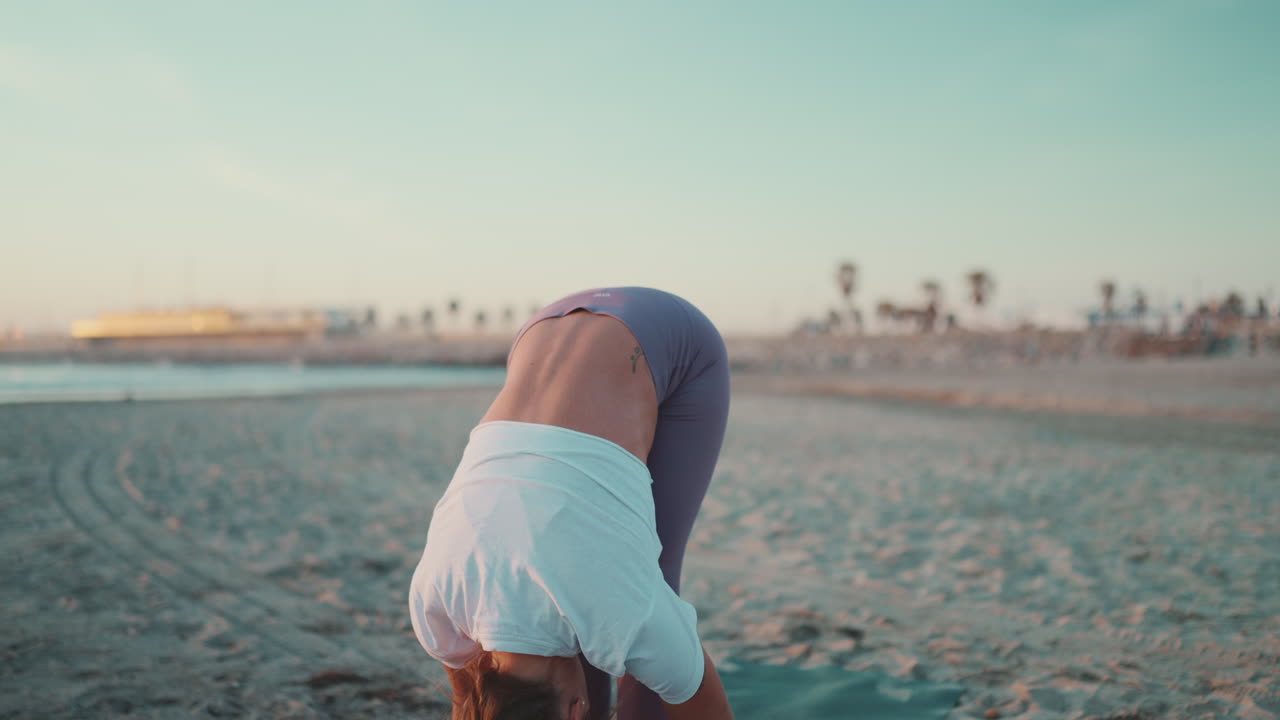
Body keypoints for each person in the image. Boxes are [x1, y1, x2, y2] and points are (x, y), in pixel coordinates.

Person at [409, 287, 736, 720]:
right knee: (605, 623)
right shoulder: (435, 609)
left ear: (574, 710)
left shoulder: (624, 608)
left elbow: (699, 699)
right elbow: (466, 705)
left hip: (672, 337)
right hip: (540, 331)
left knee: (655, 579)